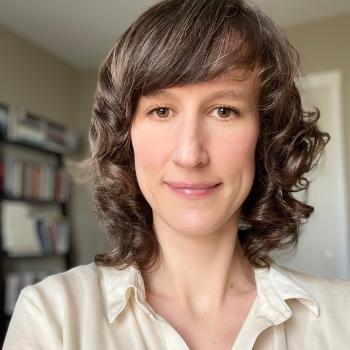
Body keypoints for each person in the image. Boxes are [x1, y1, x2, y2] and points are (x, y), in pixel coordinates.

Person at [4, 0, 350, 349]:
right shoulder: (52, 318)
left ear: (265, 136)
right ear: (126, 138)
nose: (190, 155)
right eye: (162, 110)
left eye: (224, 110)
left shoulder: (342, 317)